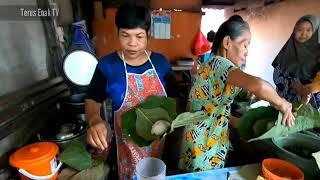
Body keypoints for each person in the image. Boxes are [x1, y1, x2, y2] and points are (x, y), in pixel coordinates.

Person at [178, 18, 295, 172]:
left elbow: (220, 104)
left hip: (206, 139)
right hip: (204, 146)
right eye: (245, 45)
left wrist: (252, 98)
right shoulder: (219, 63)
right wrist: (282, 104)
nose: (247, 52)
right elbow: (259, 85)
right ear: (227, 42)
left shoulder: (213, 66)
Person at [85, 3, 176, 179]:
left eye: (139, 36)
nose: (132, 43)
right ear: (117, 32)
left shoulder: (161, 63)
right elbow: (92, 99)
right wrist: (95, 119)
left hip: (159, 145)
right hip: (125, 148)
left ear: (148, 35)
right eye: (125, 35)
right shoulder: (107, 65)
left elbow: (174, 99)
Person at [272, 15, 320, 109]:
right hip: (284, 107)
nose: (303, 33)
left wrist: (307, 90)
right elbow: (277, 76)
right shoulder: (287, 51)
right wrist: (296, 86)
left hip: (311, 111)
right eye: (300, 29)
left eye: (308, 30)